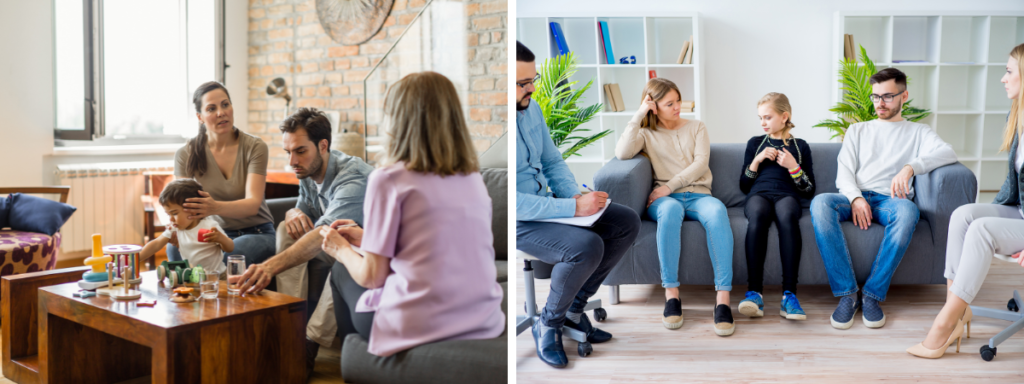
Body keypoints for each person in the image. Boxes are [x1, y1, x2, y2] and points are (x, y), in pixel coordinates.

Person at [313, 71, 504, 359]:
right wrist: (367, 238)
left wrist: (341, 250)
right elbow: (436, 246)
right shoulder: (471, 178)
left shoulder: (389, 179)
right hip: (482, 317)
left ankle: (358, 364)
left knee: (342, 270)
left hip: (419, 323)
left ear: (398, 120)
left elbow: (372, 277)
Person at [515, 41, 641, 368]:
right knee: (586, 246)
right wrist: (573, 209)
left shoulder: (532, 109)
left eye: (533, 79)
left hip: (548, 204)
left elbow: (553, 162)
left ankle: (573, 310)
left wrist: (573, 196)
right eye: (522, 83)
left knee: (625, 222)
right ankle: (549, 323)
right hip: (515, 221)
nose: (531, 88)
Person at [811, 68, 957, 331]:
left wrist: (911, 167)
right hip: (854, 197)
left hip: (891, 202)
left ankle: (872, 295)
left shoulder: (918, 132)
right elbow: (844, 172)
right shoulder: (857, 130)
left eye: (888, 96)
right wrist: (855, 198)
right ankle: (847, 294)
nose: (880, 103)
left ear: (904, 96)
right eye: (876, 96)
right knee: (820, 203)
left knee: (908, 212)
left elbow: (948, 152)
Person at [908, 43, 1024, 359]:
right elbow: (1014, 185)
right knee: (963, 215)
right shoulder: (1018, 117)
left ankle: (944, 324)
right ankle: (958, 311)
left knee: (982, 230)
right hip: (1021, 212)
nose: (1003, 78)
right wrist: (990, 209)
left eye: (1009, 71)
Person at [615, 77, 736, 336]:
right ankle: (672, 295)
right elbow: (622, 153)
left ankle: (723, 299)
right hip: (665, 202)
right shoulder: (646, 134)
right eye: (670, 103)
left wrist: (669, 186)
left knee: (718, 212)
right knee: (670, 211)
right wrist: (639, 114)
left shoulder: (697, 127)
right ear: (654, 106)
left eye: (678, 100)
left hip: (697, 195)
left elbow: (701, 164)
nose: (678, 106)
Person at [267, 108, 374, 375]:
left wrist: (268, 267)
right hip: (335, 240)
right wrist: (292, 211)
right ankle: (290, 329)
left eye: (300, 151)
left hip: (367, 249)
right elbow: (302, 213)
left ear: (323, 145)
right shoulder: (307, 170)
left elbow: (326, 233)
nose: (292, 160)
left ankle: (308, 343)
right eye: (288, 152)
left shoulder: (353, 177)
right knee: (284, 229)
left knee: (338, 246)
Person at [171, 81, 277, 267]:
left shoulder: (254, 147)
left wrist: (214, 207)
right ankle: (187, 295)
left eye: (225, 104)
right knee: (173, 249)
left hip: (256, 232)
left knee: (228, 256)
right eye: (211, 108)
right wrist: (176, 225)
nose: (221, 112)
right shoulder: (185, 154)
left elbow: (253, 204)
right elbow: (184, 206)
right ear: (200, 116)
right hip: (212, 232)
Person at [737, 93, 815, 321]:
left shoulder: (800, 147)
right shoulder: (755, 143)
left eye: (767, 117)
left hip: (787, 195)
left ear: (784, 117)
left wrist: (793, 167)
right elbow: (744, 185)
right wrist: (757, 160)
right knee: (758, 215)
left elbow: (809, 189)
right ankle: (754, 294)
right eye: (760, 118)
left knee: (788, 216)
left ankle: (789, 296)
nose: (763, 123)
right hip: (758, 194)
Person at [140, 179, 234, 272]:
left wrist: (221, 239)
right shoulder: (175, 228)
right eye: (168, 214)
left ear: (192, 210)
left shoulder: (209, 226)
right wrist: (136, 259)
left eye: (174, 213)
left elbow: (230, 248)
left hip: (216, 276)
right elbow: (156, 244)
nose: (171, 219)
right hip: (193, 276)